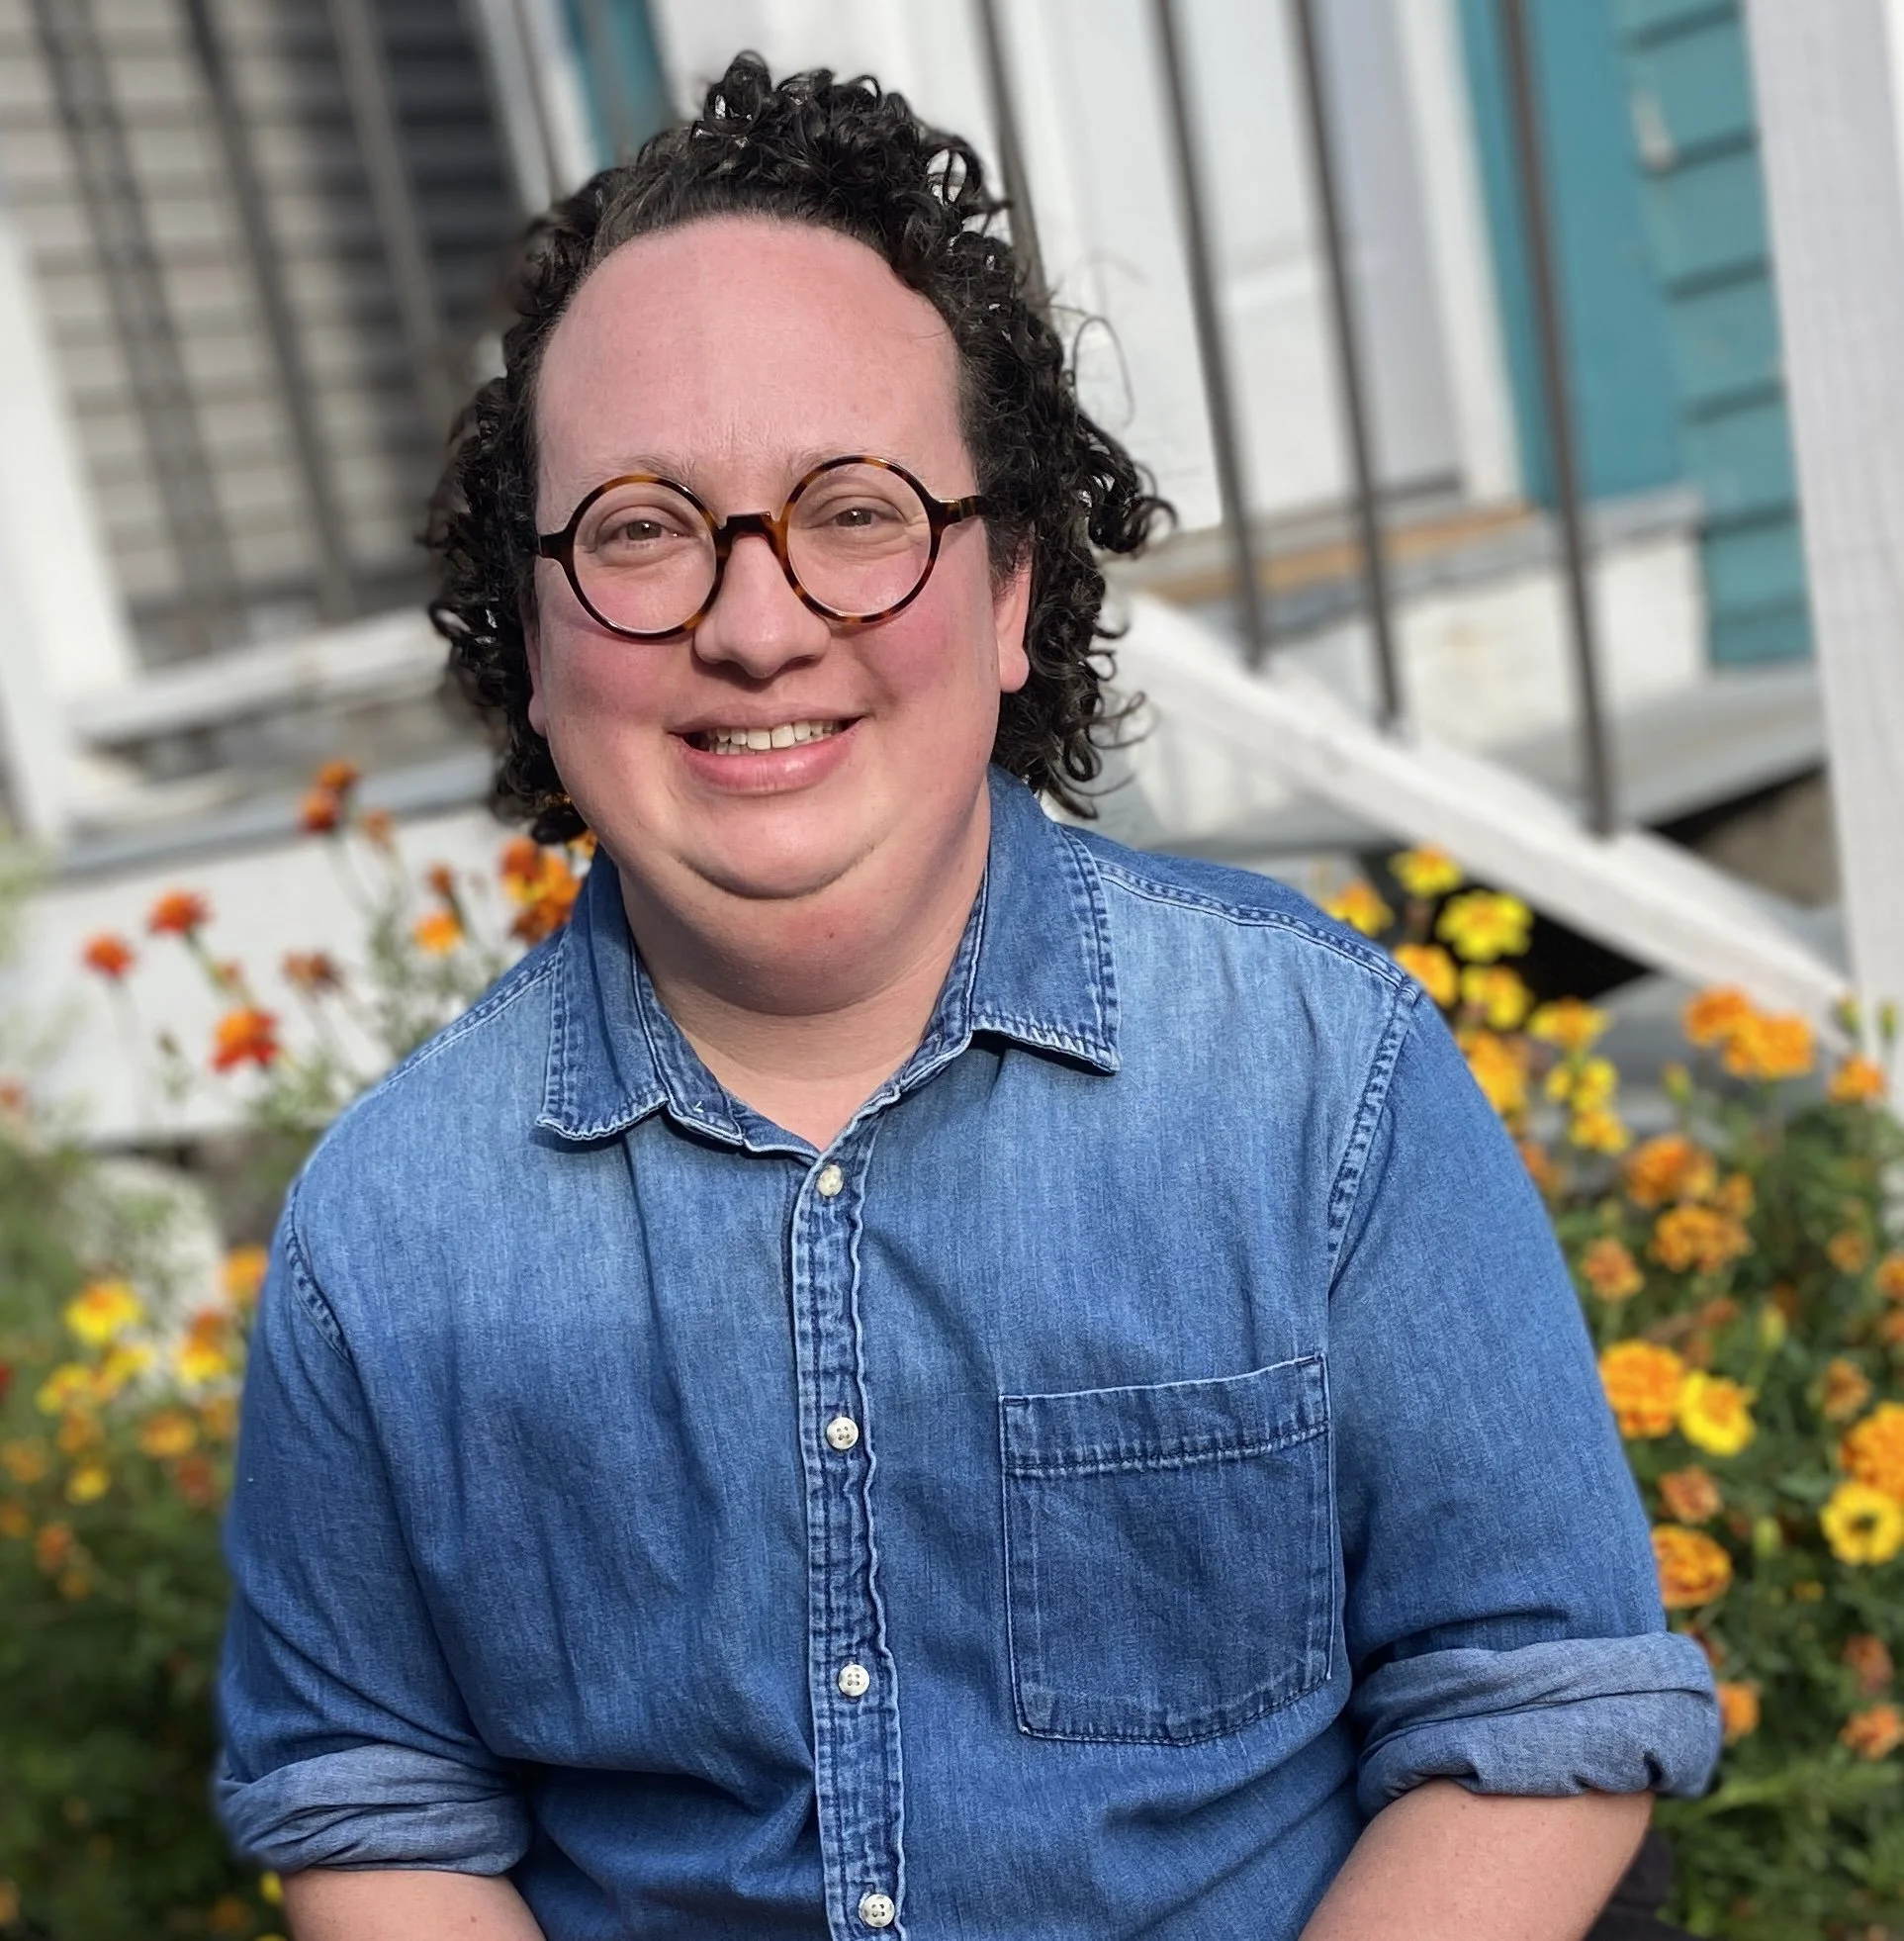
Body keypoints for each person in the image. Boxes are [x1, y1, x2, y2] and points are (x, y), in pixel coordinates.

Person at [216, 54, 1718, 1941]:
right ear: (532, 638)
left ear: (1012, 586)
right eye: (640, 527)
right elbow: (374, 1793)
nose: (754, 622)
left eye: (854, 510)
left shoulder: (1314, 1081)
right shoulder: (387, 1236)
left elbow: (1535, 1700)